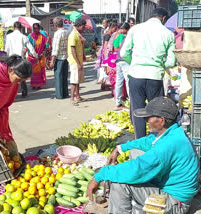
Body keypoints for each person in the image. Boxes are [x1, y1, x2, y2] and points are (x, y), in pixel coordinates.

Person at [86, 97, 200, 214]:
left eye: (148, 117)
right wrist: (120, 148)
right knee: (135, 151)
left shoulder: (167, 145)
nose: (146, 120)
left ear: (161, 120)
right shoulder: (173, 132)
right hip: (174, 192)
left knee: (120, 184)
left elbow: (137, 169)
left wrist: (99, 176)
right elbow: (148, 141)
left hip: (175, 203)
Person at [120, 8, 176, 139]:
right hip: (155, 77)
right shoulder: (168, 34)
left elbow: (123, 53)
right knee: (156, 111)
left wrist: (134, 63)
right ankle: (154, 140)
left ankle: (140, 141)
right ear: (163, 18)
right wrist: (160, 65)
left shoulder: (135, 29)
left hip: (136, 75)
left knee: (137, 111)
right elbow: (171, 61)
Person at [5, 21, 37, 97]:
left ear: (13, 28)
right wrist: (35, 55)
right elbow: (30, 48)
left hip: (11, 59)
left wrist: (5, 59)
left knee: (12, 77)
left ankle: (11, 94)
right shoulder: (23, 36)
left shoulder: (9, 36)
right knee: (22, 76)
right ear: (21, 28)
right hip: (20, 59)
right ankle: (24, 92)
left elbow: (6, 49)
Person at [68, 19, 87, 106]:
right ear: (79, 26)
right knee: (74, 80)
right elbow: (73, 50)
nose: (84, 29)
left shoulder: (78, 35)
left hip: (79, 60)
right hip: (74, 61)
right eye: (83, 27)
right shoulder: (73, 35)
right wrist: (78, 63)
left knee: (78, 80)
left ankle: (78, 96)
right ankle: (72, 98)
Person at [49, 17, 69, 99]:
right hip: (66, 57)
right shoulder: (67, 32)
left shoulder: (57, 33)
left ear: (55, 25)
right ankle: (65, 93)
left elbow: (55, 49)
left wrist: (52, 61)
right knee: (64, 77)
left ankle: (59, 95)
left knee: (58, 77)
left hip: (59, 57)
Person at [114, 22, 131, 109]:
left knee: (119, 82)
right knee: (128, 81)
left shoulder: (118, 36)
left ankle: (118, 102)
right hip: (125, 60)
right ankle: (131, 102)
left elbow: (115, 47)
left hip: (118, 60)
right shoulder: (126, 37)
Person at [27, 23, 48, 89]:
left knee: (39, 71)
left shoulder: (42, 37)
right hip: (32, 57)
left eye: (36, 28)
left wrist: (42, 54)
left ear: (39, 29)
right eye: (34, 28)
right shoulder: (30, 36)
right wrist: (33, 55)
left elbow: (45, 46)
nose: (35, 30)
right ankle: (33, 85)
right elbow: (27, 46)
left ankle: (39, 84)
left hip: (40, 56)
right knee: (33, 72)